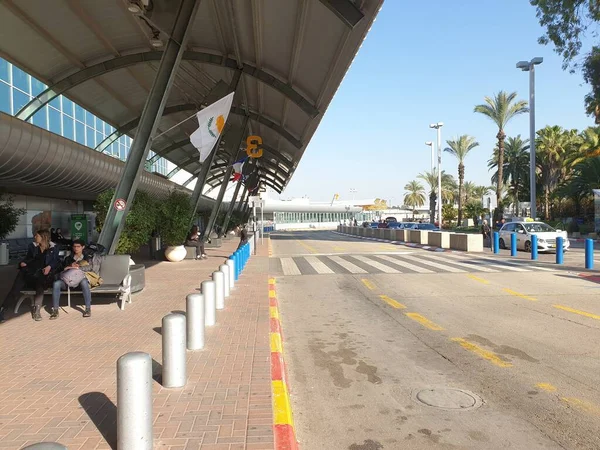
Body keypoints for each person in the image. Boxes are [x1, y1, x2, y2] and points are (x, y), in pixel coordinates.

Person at [0, 229, 60, 322]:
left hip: (42, 274)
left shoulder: (53, 247)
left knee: (39, 286)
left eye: (37, 236)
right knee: (15, 290)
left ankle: (37, 311)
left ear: (43, 237)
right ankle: (2, 311)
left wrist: (49, 266)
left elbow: (56, 261)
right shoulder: (32, 246)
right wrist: (22, 263)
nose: (35, 237)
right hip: (27, 272)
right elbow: (28, 258)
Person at [50, 239, 94, 319]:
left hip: (80, 281)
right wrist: (70, 266)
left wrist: (79, 267)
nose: (76, 248)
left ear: (83, 247)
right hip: (68, 281)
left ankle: (88, 308)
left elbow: (90, 268)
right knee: (56, 284)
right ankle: (55, 310)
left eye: (78, 246)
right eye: (74, 246)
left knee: (84, 282)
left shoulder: (87, 257)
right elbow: (61, 270)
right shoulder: (68, 258)